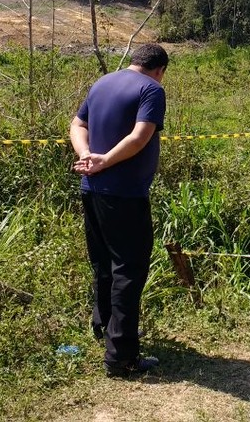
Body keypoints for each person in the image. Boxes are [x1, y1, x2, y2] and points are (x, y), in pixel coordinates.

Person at [69, 43, 169, 378]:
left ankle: (106, 328)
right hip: (124, 194)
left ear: (133, 61)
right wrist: (106, 160)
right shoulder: (152, 89)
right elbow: (140, 137)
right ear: (160, 70)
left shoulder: (102, 82)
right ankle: (121, 358)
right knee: (129, 269)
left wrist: (87, 157)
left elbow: (77, 124)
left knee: (104, 264)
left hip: (91, 190)